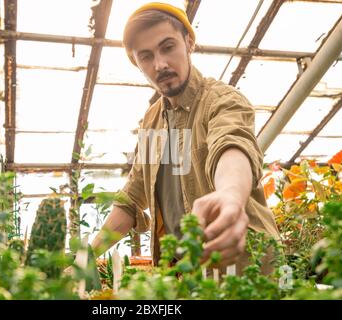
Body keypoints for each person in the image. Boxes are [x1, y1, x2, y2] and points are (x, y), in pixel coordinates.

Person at [92, 2, 280, 275]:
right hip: (184, 276)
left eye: (168, 47)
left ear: (188, 42)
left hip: (242, 270)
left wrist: (230, 195)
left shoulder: (221, 100)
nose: (160, 64)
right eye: (146, 57)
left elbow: (231, 144)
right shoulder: (153, 122)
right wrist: (85, 257)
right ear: (137, 63)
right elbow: (133, 197)